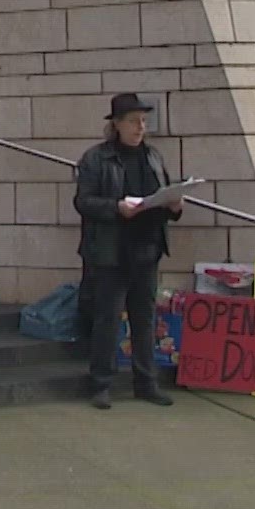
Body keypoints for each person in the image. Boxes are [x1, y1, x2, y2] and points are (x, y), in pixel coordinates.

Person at [73, 93, 182, 410]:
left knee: (144, 318)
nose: (140, 127)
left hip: (147, 248)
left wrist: (175, 205)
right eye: (134, 121)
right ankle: (101, 384)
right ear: (117, 125)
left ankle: (146, 382)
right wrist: (117, 208)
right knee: (108, 318)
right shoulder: (96, 159)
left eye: (144, 122)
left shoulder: (153, 157)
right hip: (112, 252)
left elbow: (163, 196)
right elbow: (83, 202)